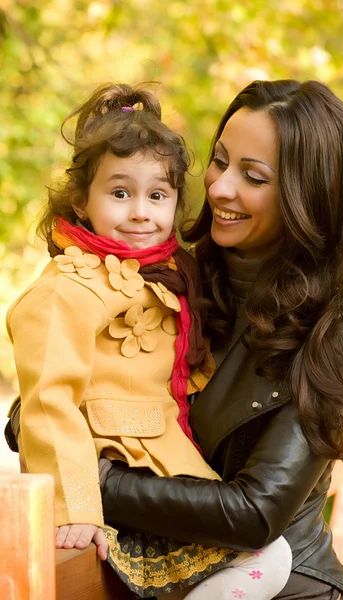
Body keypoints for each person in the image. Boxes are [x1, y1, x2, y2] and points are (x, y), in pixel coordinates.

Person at [97, 79, 343, 600]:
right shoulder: (173, 272)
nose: (219, 188)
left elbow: (256, 513)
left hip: (279, 582)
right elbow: (42, 401)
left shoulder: (337, 325)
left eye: (252, 176)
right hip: (152, 570)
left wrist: (92, 481)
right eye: (219, 160)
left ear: (309, 198)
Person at [5, 82, 292, 600]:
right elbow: (48, 402)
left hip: (165, 468)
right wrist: (77, 507)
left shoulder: (167, 276)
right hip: (115, 471)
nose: (141, 212)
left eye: (157, 195)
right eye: (120, 193)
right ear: (80, 199)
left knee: (272, 554)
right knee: (266, 556)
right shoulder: (67, 288)